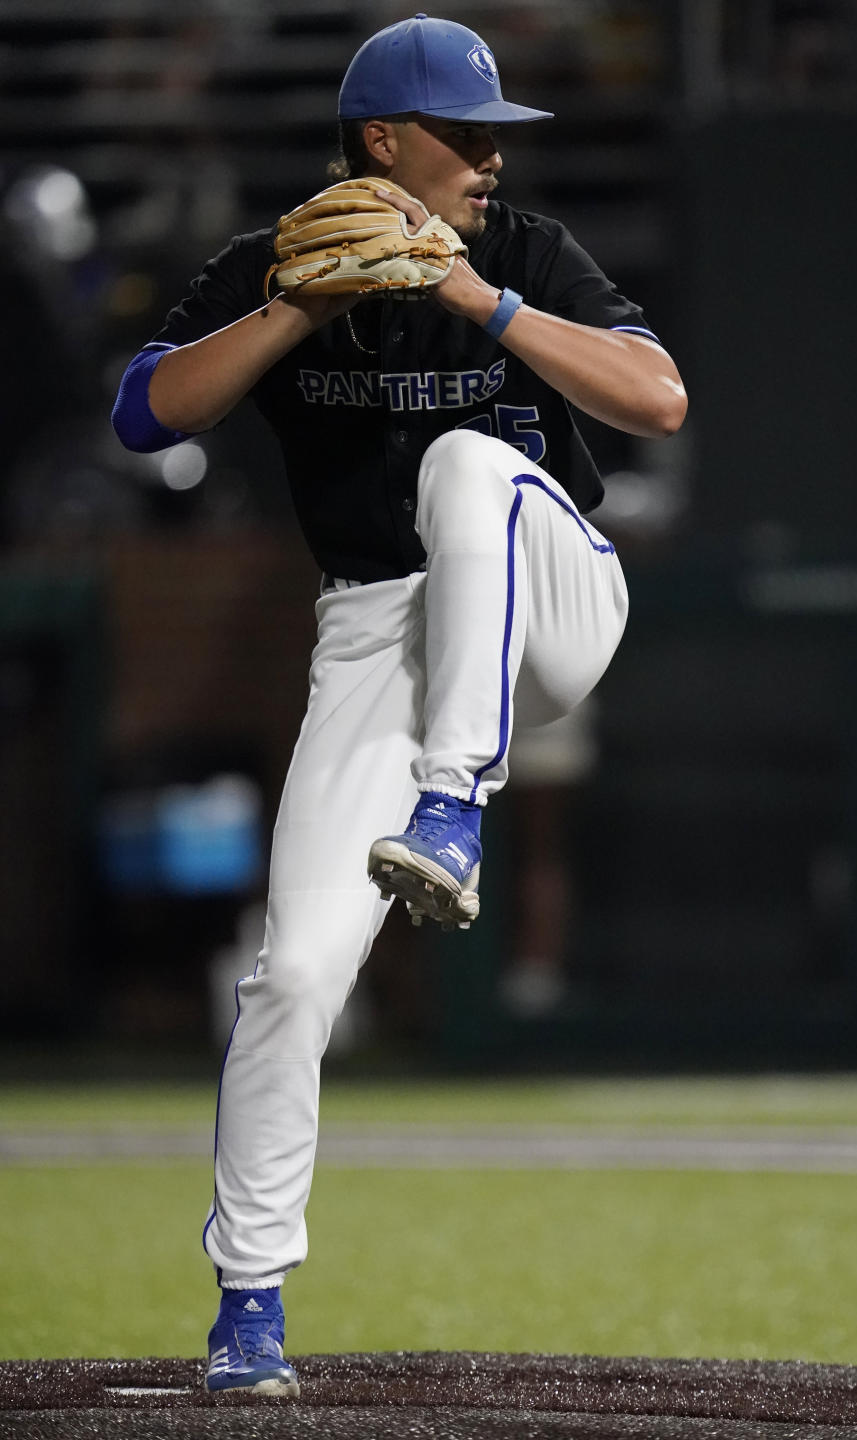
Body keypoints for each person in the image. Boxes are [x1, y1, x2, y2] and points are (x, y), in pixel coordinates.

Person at [112, 12, 687, 1399]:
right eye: (466, 132)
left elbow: (657, 399)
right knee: (294, 971)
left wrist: (481, 304)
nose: (494, 156)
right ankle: (248, 1312)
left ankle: (453, 804)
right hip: (381, 628)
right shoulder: (277, 264)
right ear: (382, 139)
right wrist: (293, 311)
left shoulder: (524, 252)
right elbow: (143, 415)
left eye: (499, 134)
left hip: (549, 599)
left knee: (467, 468)